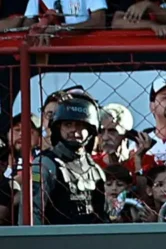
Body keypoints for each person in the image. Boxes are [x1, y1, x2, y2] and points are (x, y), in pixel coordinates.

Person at [22, 90, 106, 225]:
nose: (73, 130)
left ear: (90, 129)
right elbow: (32, 213)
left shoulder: (95, 170)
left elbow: (103, 216)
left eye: (79, 124)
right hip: (53, 242)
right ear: (58, 127)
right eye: (68, 124)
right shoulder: (45, 165)